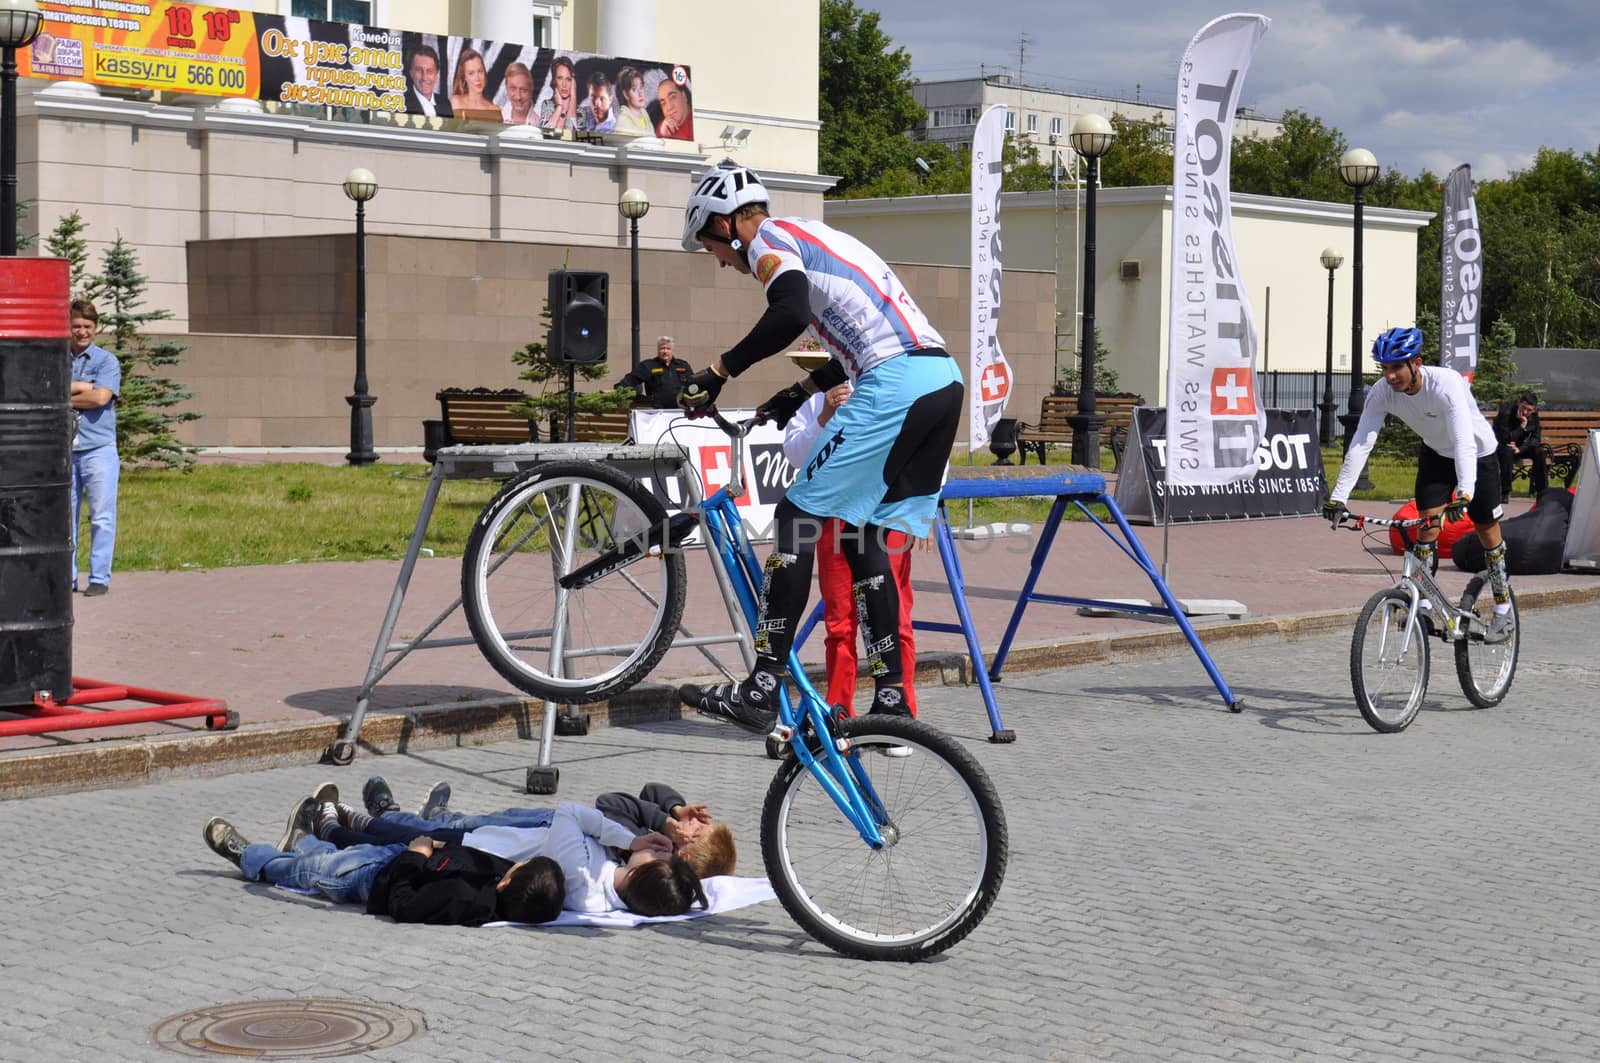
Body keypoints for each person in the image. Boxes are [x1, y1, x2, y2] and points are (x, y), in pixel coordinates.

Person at [673, 160, 962, 733]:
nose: (723, 263)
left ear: (726, 224)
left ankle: (759, 688)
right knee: (864, 540)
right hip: (940, 383)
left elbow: (790, 313)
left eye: (713, 248)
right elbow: (858, 337)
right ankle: (890, 700)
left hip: (896, 383)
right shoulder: (815, 236)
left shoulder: (770, 240)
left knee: (796, 519)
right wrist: (795, 393)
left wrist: (719, 370)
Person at [1322, 326, 1515, 642]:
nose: (1390, 376)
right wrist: (1339, 497)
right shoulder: (1382, 392)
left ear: (1417, 363)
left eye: (1397, 367)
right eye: (1384, 368)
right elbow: (1361, 442)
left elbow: (1464, 440)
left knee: (1487, 534)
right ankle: (1423, 605)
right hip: (1437, 454)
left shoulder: (1446, 384)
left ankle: (1504, 611)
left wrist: (1465, 492)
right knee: (1426, 530)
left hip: (1477, 455)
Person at [305, 784, 704, 917]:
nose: (661, 851)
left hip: (485, 850)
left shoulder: (579, 872)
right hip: (496, 846)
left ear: (637, 873)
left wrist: (631, 840)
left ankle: (330, 829)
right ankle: (345, 822)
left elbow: (569, 811)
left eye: (659, 858)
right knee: (406, 837)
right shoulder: (613, 890)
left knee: (394, 846)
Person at [202, 801, 564, 927]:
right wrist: (433, 846)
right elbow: (463, 858)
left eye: (518, 867)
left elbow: (403, 905)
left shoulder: (464, 900)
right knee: (319, 857)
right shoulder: (501, 881)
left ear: (506, 884)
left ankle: (250, 857)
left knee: (308, 872)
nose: (513, 864)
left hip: (373, 877)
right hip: (400, 855)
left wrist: (416, 857)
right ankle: (303, 839)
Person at [784, 382, 919, 717]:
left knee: (896, 620)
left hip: (887, 518)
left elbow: (930, 448)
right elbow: (796, 455)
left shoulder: (901, 386)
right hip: (834, 518)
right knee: (840, 624)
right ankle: (838, 712)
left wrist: (920, 510)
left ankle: (899, 715)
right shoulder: (818, 401)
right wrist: (825, 417)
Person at [358, 776, 736, 878]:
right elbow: (651, 790)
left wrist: (660, 827)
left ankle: (386, 814)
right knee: (469, 823)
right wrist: (674, 810)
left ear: (681, 853)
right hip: (548, 822)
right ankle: (438, 815)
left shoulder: (631, 851)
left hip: (547, 832)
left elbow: (610, 803)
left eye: (697, 832)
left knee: (464, 832)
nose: (693, 826)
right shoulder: (664, 833)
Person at [69, 299, 120, 597]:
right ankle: (69, 578)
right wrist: (83, 386)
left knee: (101, 515)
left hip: (98, 448)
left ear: (95, 328)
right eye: (76, 326)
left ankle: (99, 577)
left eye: (87, 326)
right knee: (66, 519)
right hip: (64, 449)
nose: (82, 332)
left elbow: (101, 398)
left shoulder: (106, 361)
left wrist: (65, 397)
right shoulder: (56, 357)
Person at [1494, 391, 1548, 497]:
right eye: (1523, 407)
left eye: (1529, 410)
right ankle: (1505, 492)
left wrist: (1521, 449)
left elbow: (1536, 440)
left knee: (1539, 452)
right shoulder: (1506, 413)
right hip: (1504, 448)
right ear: (1519, 403)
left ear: (1534, 409)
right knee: (1508, 451)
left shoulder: (1533, 417)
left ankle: (1543, 491)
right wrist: (1521, 428)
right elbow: (1504, 438)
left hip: (1521, 448)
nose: (1525, 412)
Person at [616, 336, 693, 409]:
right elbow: (628, 382)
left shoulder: (683, 365)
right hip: (657, 412)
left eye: (668, 348)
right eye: (662, 348)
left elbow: (693, 384)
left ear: (672, 350)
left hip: (681, 410)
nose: (665, 351)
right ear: (658, 350)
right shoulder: (648, 366)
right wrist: (639, 398)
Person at [402, 43, 453, 118]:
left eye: (430, 71)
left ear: (436, 75)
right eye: (419, 70)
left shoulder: (445, 103)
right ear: (411, 73)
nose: (424, 77)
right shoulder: (401, 103)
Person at [448, 46, 494, 116]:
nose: (477, 78)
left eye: (480, 71)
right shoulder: (455, 103)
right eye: (471, 73)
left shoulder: (494, 110)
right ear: (464, 77)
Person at [539, 55, 579, 133]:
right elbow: (546, 133)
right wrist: (559, 107)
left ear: (573, 81)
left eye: (568, 79)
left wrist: (573, 95)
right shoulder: (547, 105)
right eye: (560, 78)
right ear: (554, 80)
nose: (564, 84)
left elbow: (570, 135)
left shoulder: (581, 112)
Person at [613, 66, 653, 136]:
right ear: (626, 94)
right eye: (634, 89)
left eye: (641, 87)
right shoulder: (623, 121)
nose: (640, 93)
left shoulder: (644, 113)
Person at [499, 61, 537, 126]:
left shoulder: (540, 123)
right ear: (507, 89)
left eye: (523, 90)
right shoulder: (497, 117)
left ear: (531, 91)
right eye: (513, 89)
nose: (518, 97)